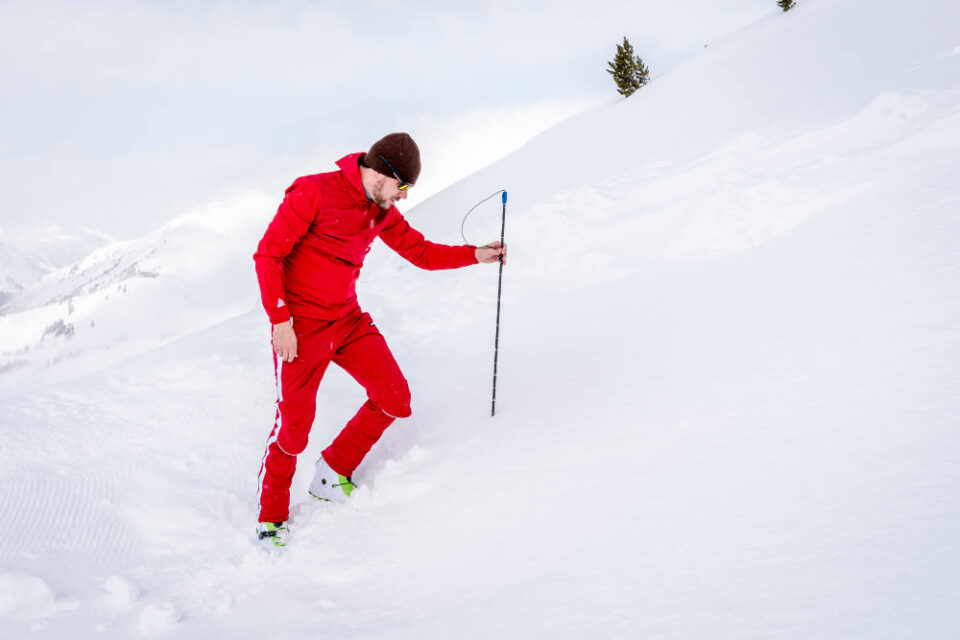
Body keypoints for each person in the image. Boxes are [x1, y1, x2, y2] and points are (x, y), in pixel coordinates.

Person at [252, 132, 505, 546]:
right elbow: (268, 256)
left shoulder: (379, 211)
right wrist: (280, 321)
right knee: (293, 428)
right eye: (403, 186)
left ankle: (332, 472)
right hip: (301, 327)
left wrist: (475, 254)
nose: (403, 196)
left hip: (347, 319)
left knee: (394, 397)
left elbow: (421, 252)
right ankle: (271, 519)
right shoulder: (313, 192)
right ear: (382, 173)